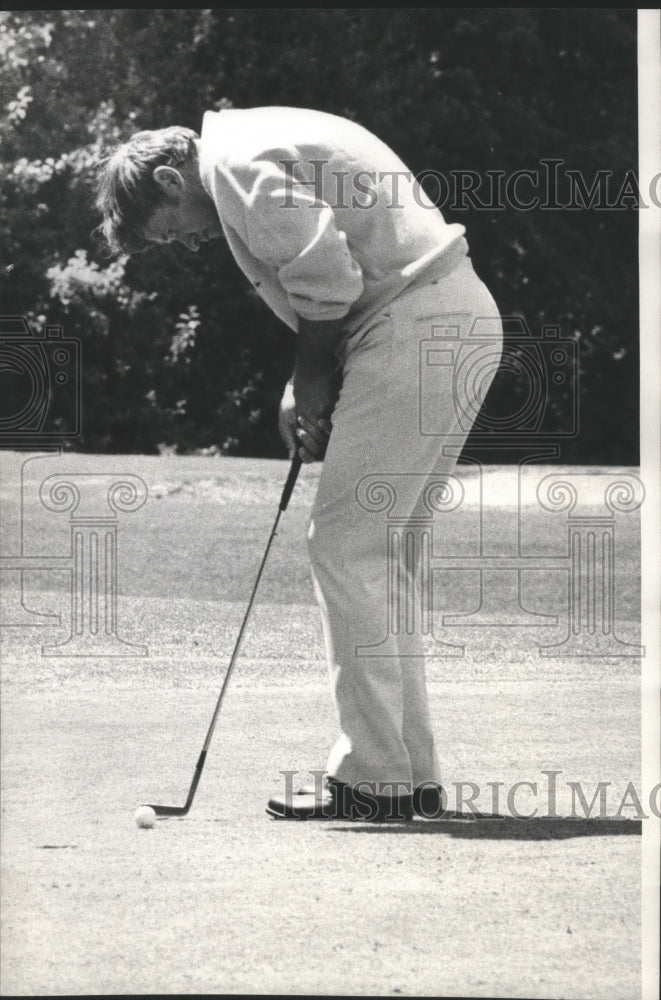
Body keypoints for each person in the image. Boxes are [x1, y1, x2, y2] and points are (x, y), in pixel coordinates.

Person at [97, 105, 503, 821]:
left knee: (344, 549)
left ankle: (375, 779)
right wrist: (327, 370)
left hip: (415, 327)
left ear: (170, 177)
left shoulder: (236, 166)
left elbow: (326, 276)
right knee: (383, 554)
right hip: (450, 318)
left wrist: (308, 377)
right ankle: (406, 772)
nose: (191, 243)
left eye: (172, 228)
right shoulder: (254, 136)